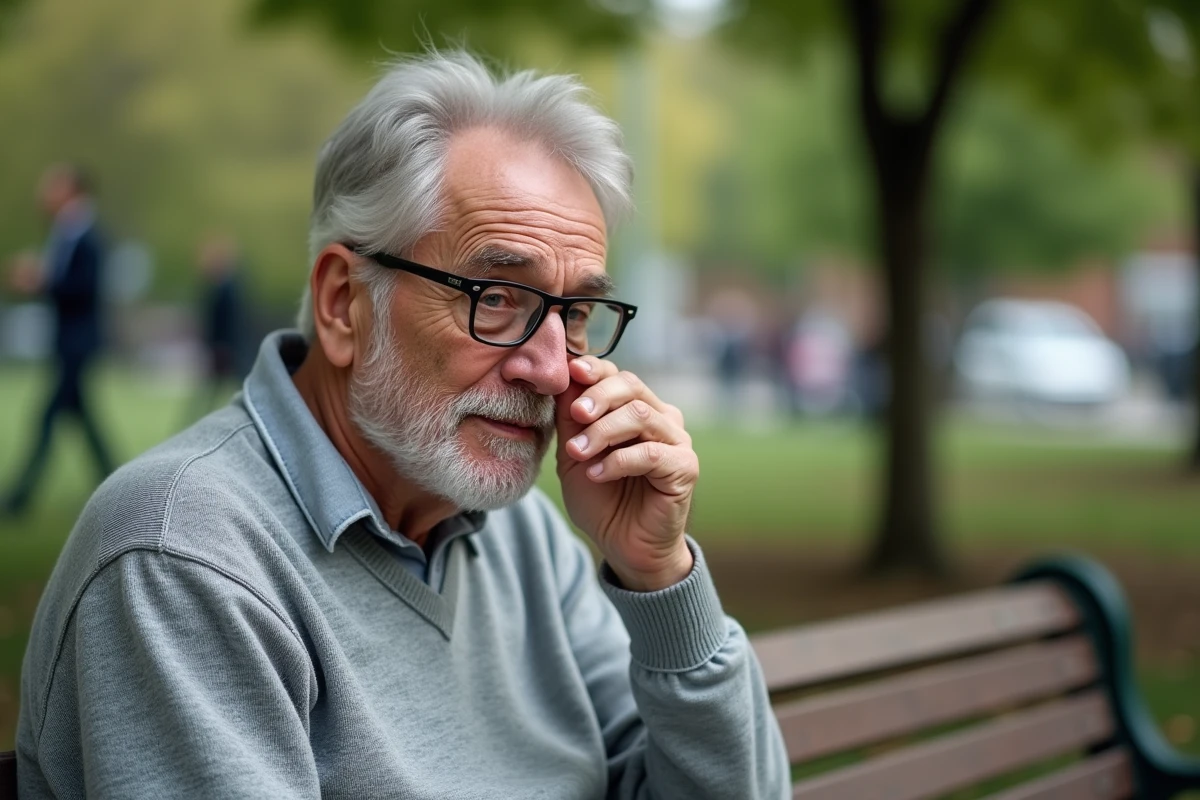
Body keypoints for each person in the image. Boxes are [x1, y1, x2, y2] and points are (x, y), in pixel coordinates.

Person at [17, 52, 790, 799]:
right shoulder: (182, 558)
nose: (553, 370)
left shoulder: (523, 536)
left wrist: (660, 577)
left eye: (577, 312)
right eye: (496, 298)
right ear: (343, 304)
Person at [3, 164, 115, 516]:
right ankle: (116, 485)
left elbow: (85, 289)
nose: (46, 190)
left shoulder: (87, 235)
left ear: (73, 191)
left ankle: (18, 499)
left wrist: (41, 280)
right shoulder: (65, 232)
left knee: (48, 419)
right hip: (68, 341)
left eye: (54, 184)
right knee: (82, 422)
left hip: (77, 343)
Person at [187, 233, 247, 420]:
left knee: (219, 390)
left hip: (225, 349)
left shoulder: (228, 289)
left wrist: (224, 346)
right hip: (222, 349)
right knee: (215, 391)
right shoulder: (219, 287)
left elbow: (231, 322)